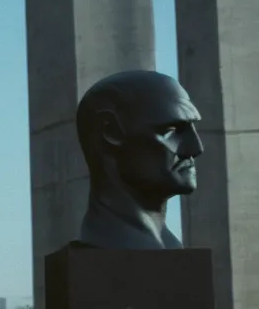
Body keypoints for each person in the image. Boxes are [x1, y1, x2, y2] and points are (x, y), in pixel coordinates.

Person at [76, 70, 203, 249]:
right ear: (111, 131)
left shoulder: (169, 246)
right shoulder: (107, 246)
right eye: (170, 131)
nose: (195, 149)